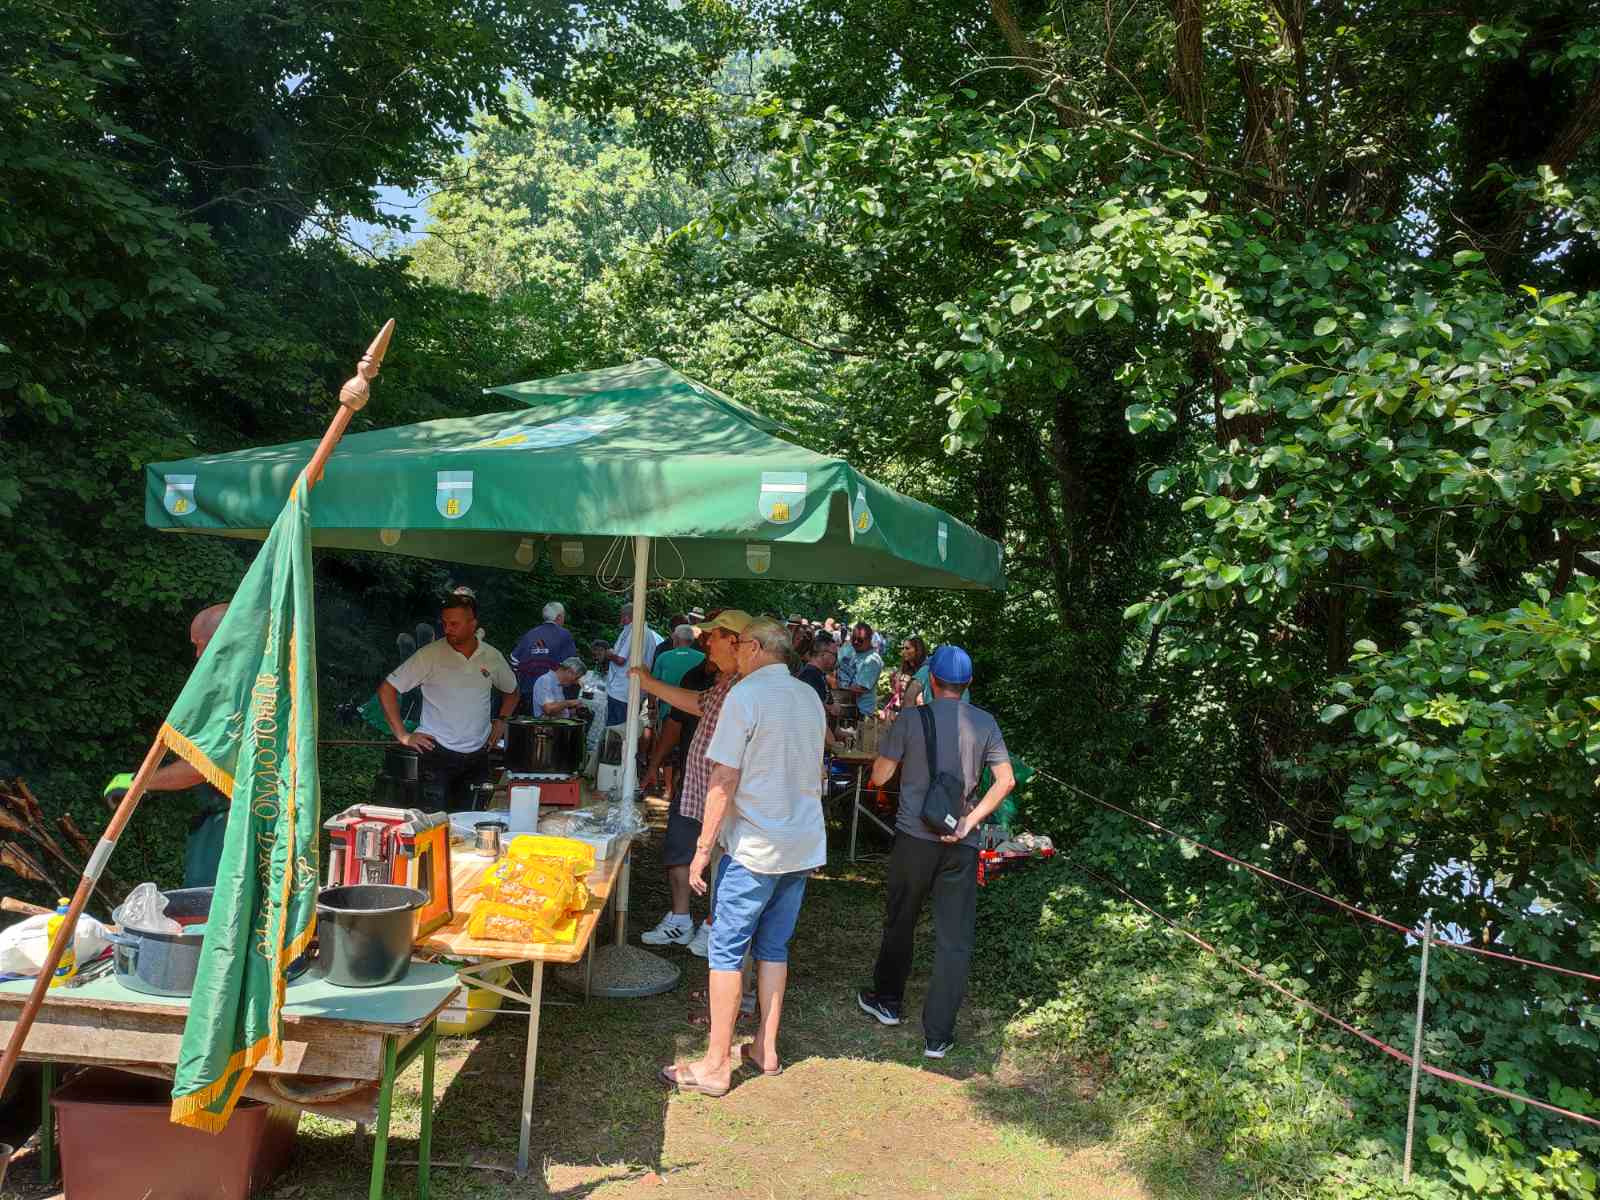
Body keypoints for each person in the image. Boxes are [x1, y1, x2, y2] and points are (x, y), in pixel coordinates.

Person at [660, 617, 826, 1096]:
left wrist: (701, 849)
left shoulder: (745, 696)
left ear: (752, 647)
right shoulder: (808, 695)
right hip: (800, 844)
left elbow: (722, 779)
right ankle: (764, 1049)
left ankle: (715, 1065)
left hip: (754, 847)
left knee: (726, 953)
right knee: (774, 948)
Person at [857, 644, 1014, 1058]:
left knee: (901, 921)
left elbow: (879, 776)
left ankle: (887, 1003)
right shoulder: (985, 723)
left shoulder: (911, 719)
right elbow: (1006, 781)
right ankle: (938, 1035)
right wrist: (970, 820)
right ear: (968, 685)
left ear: (932, 681)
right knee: (954, 938)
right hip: (961, 844)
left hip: (914, 838)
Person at [631, 611, 752, 954]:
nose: (706, 642)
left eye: (714, 636)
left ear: (734, 641)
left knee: (724, 858)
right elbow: (697, 704)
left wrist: (650, 682)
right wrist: (649, 682)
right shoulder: (726, 682)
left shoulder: (748, 685)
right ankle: (683, 921)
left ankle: (716, 926)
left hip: (728, 790)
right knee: (689, 850)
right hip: (700, 785)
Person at [378, 592, 518, 812]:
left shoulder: (492, 657)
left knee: (471, 825)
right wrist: (404, 735)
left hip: (478, 755)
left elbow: (512, 691)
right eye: (445, 623)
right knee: (435, 827)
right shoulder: (430, 655)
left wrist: (501, 721)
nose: (447, 629)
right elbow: (387, 689)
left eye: (454, 623)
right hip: (436, 754)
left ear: (473, 624)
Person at [125, 604, 232, 887]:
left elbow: (202, 767)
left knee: (209, 907)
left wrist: (141, 781)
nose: (197, 655)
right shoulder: (227, 685)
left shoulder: (241, 690)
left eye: (200, 645)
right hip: (218, 820)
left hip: (234, 827)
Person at [510, 601, 577, 711]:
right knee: (550, 726)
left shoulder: (530, 633)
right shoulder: (564, 634)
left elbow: (514, 660)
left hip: (528, 691)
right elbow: (572, 664)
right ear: (559, 617)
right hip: (552, 696)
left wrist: (523, 676)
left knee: (528, 725)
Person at [604, 603, 662, 728]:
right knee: (627, 730)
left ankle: (615, 748)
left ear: (630, 616)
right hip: (635, 690)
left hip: (621, 690)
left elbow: (620, 659)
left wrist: (608, 654)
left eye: (623, 617)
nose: (621, 621)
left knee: (615, 732)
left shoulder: (633, 630)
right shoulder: (649, 634)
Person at [844, 622, 884, 718]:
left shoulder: (872, 660)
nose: (856, 642)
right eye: (854, 639)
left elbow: (860, 688)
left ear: (869, 639)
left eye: (860, 640)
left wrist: (835, 684)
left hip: (860, 712)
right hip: (849, 707)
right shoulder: (852, 651)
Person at [887, 636, 929, 716]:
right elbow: (896, 694)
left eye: (907, 648)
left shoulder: (925, 671)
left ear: (918, 650)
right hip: (900, 713)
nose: (903, 651)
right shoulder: (904, 669)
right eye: (903, 648)